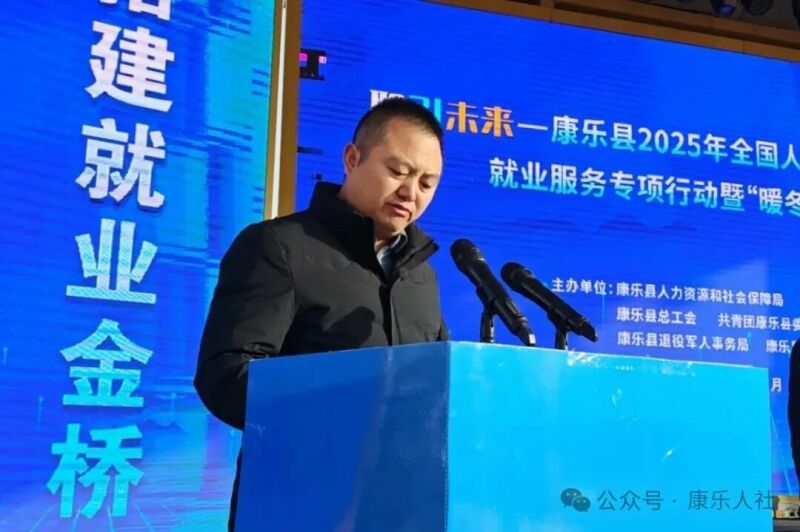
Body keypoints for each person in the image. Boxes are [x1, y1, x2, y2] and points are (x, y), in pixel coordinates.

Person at [194, 97, 449, 529]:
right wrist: (349, 405)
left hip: (399, 507)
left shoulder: (421, 276)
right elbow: (225, 374)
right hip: (298, 503)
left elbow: (440, 385)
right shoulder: (279, 248)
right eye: (398, 172)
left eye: (427, 183)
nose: (411, 193)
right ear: (352, 159)